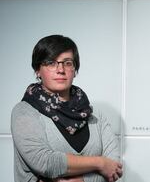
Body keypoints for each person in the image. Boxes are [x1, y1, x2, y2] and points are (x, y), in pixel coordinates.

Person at [11, 35, 123, 182]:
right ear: (38, 70)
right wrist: (100, 163)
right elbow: (45, 162)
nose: (60, 69)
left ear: (75, 70)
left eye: (68, 63)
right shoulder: (25, 111)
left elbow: (114, 170)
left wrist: (84, 180)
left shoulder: (95, 116)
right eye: (51, 63)